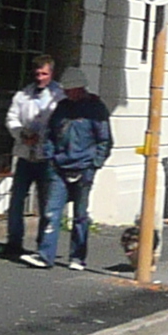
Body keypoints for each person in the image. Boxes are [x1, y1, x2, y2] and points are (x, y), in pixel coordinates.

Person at [38, 70, 115, 271]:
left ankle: (78, 257)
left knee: (80, 215)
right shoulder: (62, 108)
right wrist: (50, 157)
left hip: (84, 166)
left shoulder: (96, 109)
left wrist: (94, 163)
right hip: (59, 165)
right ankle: (46, 256)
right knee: (51, 211)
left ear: (80, 88)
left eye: (70, 90)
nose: (68, 93)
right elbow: (49, 134)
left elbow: (104, 139)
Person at [1, 55, 60, 262]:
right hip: (25, 156)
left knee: (46, 205)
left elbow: (60, 124)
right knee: (17, 201)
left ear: (51, 74)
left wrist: (43, 137)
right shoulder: (22, 95)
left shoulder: (58, 96)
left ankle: (43, 246)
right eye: (37, 74)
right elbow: (11, 118)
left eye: (44, 73)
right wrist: (21, 133)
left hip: (47, 157)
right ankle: (14, 242)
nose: (40, 77)